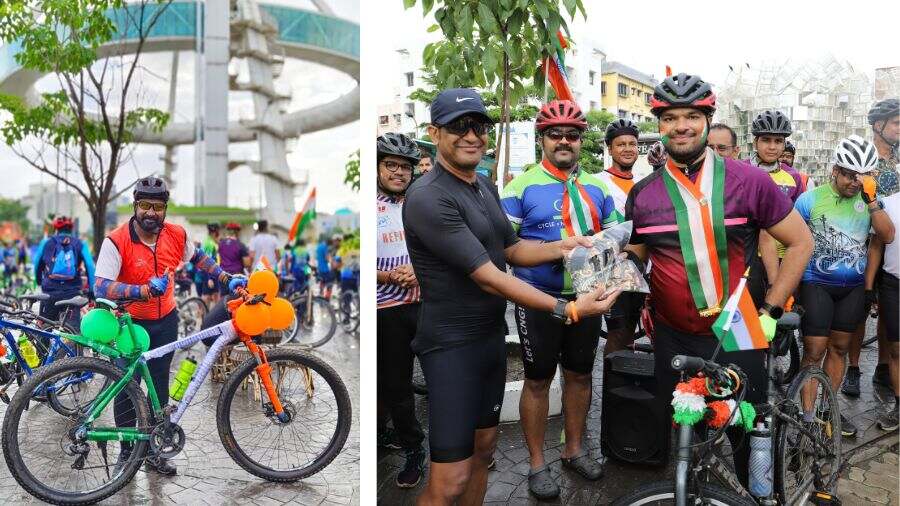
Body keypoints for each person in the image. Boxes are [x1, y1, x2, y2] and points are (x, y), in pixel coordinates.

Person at [404, 88, 621, 505]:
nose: (472, 135)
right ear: (434, 132)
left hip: (488, 344)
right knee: (449, 479)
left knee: (484, 454)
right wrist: (567, 307)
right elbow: (488, 275)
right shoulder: (429, 195)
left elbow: (510, 250)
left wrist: (563, 246)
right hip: (451, 348)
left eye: (480, 126)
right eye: (458, 126)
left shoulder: (482, 185)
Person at [625, 73, 813, 486]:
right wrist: (599, 267)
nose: (681, 126)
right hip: (672, 334)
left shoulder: (750, 181)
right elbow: (636, 258)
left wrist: (771, 311)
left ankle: (761, 495)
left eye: (691, 115)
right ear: (659, 124)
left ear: (708, 119)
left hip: (739, 329)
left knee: (750, 435)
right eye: (670, 117)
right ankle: (696, 493)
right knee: (687, 434)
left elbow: (801, 243)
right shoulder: (642, 194)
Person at [501, 100, 619, 499]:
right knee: (537, 381)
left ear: (581, 140)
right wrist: (558, 248)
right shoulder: (520, 188)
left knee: (581, 375)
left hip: (589, 298)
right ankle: (536, 463)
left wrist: (617, 278)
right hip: (538, 299)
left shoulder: (599, 186)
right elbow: (507, 249)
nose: (564, 141)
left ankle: (573, 449)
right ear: (542, 140)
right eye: (555, 134)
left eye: (572, 134)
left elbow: (617, 240)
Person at [94, 176, 246, 475]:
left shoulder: (176, 235)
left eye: (157, 207)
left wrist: (226, 278)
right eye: (144, 206)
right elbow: (100, 286)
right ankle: (126, 453)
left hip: (166, 321)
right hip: (129, 324)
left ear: (165, 209)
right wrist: (139, 290)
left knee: (159, 387)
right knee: (127, 388)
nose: (150, 212)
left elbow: (199, 259)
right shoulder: (116, 240)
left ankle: (153, 451)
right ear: (134, 206)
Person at [795, 135, 895, 437]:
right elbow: (792, 242)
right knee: (814, 350)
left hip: (851, 288)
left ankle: (827, 410)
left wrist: (872, 200)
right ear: (835, 170)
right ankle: (807, 416)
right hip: (816, 283)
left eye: (863, 176)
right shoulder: (810, 199)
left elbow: (887, 236)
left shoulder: (870, 201)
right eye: (850, 174)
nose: (855, 182)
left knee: (839, 349)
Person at [375, 132, 428, 488]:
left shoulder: (422, 204)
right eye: (390, 165)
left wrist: (418, 270)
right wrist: (387, 274)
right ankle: (413, 450)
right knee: (396, 385)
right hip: (387, 308)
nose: (398, 172)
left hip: (426, 303)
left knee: (441, 377)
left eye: (404, 167)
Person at [846, 98, 900, 393]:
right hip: (863, 243)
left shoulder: (898, 160)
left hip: (891, 245)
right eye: (896, 123)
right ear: (878, 126)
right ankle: (853, 368)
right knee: (859, 308)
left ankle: (882, 366)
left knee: (890, 311)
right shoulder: (864, 157)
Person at [745, 110, 805, 307]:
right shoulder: (741, 171)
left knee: (778, 317)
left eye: (778, 141)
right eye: (766, 140)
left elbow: (797, 222)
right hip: (748, 258)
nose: (772, 147)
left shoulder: (793, 177)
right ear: (755, 142)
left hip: (782, 258)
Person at [864, 190, 899, 431]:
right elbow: (876, 246)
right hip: (893, 284)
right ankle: (898, 406)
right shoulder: (888, 203)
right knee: (897, 348)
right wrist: (869, 286)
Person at [33, 216, 95, 330]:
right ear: (71, 230)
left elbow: (37, 264)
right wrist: (91, 290)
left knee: (45, 330)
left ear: (56, 229)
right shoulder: (80, 243)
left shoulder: (46, 243)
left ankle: (43, 346)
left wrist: (39, 281)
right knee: (71, 331)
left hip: (50, 293)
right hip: (72, 294)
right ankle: (69, 345)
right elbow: (90, 266)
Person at [199, 222, 221, 306]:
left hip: (211, 272)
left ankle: (208, 316)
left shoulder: (208, 241)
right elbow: (207, 261)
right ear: (215, 231)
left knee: (213, 296)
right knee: (208, 297)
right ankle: (206, 317)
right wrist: (209, 278)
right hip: (210, 274)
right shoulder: (209, 244)